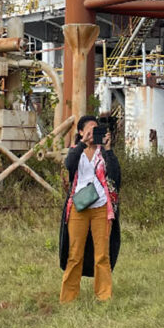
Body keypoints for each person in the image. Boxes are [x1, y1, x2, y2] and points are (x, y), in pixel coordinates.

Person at [60, 116, 119, 305]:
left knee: (102, 254)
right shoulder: (75, 151)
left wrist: (108, 149)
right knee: (74, 254)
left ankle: (104, 296)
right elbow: (69, 166)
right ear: (80, 132)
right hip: (79, 207)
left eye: (97, 129)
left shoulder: (103, 152)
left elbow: (116, 177)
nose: (94, 133)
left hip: (101, 206)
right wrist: (82, 144)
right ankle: (68, 298)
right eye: (90, 129)